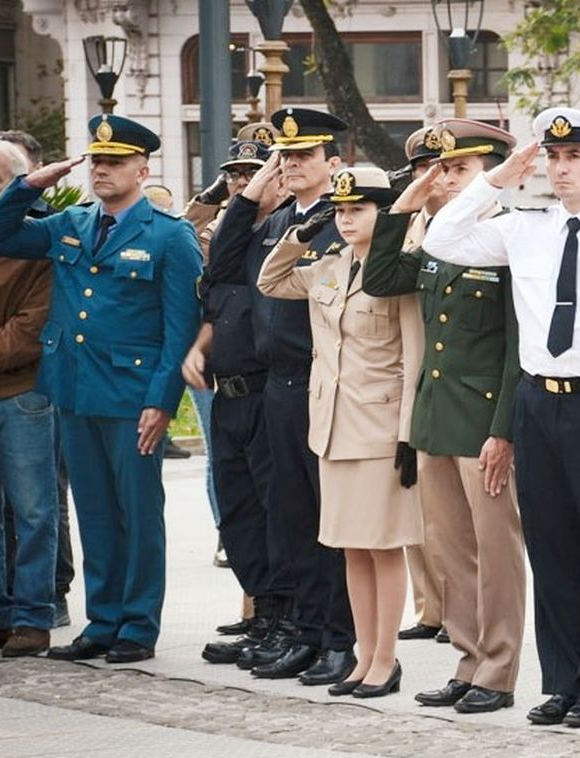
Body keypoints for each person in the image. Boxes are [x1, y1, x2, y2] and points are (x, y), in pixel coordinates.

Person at [422, 107, 580, 729]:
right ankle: (561, 681)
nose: (560, 170)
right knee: (553, 551)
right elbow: (440, 238)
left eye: (573, 158)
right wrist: (497, 177)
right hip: (539, 402)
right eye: (552, 158)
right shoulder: (522, 226)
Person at [0, 114, 203, 664]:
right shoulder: (70, 222)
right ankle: (102, 620)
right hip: (74, 389)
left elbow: (180, 329)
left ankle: (137, 624)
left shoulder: (169, 236)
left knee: (137, 513)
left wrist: (162, 401)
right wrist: (30, 184)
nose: (101, 170)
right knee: (95, 512)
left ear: (143, 169)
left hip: (132, 397)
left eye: (115, 162)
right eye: (97, 161)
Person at [363, 119, 529, 714]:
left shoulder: (512, 240)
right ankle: (466, 659)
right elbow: (379, 279)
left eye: (457, 169)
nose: (444, 180)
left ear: (494, 175)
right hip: (435, 419)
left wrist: (503, 431)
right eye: (437, 170)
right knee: (451, 553)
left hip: (483, 425)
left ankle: (499, 668)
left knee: (496, 552)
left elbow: (519, 349)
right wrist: (405, 204)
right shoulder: (433, 242)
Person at [204, 107, 356, 684]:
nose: (291, 165)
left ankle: (339, 638)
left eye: (303, 156)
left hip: (318, 378)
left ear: (332, 163)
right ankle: (308, 633)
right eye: (285, 156)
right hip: (278, 388)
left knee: (327, 522)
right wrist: (247, 199)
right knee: (290, 522)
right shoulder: (274, 222)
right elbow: (222, 267)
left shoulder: (339, 220)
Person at [257, 165, 421, 699]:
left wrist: (408, 434)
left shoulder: (398, 274)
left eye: (359, 210)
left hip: (379, 430)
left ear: (384, 212)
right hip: (330, 428)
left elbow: (414, 356)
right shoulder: (326, 268)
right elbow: (270, 280)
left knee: (383, 547)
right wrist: (304, 231)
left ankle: (386, 659)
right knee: (351, 548)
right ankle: (363, 655)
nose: (347, 220)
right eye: (341, 211)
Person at [190, 129, 298, 668]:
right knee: (237, 517)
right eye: (234, 174)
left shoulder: (286, 235)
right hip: (227, 397)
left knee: (275, 513)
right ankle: (263, 615)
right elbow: (214, 267)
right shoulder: (232, 239)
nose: (241, 184)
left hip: (267, 394)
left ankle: (283, 617)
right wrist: (240, 196)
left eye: (254, 173)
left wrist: (259, 194)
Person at [0, 136, 56, 657]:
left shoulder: (38, 242)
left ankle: (32, 618)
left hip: (24, 398)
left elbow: (29, 327)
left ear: (18, 187)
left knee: (34, 512)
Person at [391, 124, 449, 644]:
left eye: (442, 169)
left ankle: (456, 611)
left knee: (450, 513)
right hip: (408, 373)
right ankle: (428, 607)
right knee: (414, 500)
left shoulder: (466, 227)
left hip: (453, 377)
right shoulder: (408, 227)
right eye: (421, 170)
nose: (431, 179)